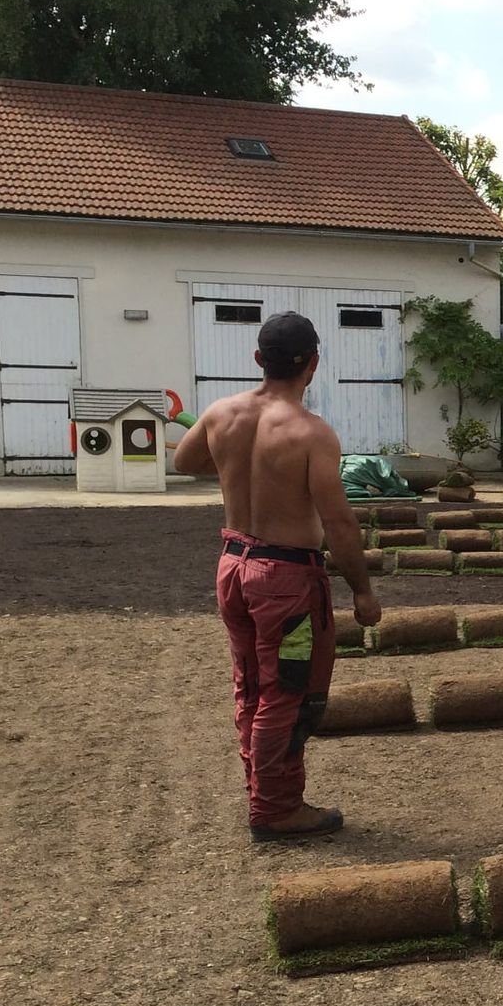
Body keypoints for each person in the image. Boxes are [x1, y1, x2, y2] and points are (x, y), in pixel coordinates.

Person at [173, 312, 382, 838]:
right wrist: (362, 589)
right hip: (285, 580)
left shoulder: (223, 414)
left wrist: (235, 463)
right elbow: (337, 520)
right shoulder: (311, 434)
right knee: (288, 692)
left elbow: (184, 460)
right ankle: (274, 807)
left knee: (251, 686)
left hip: (234, 566)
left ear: (258, 360)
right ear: (312, 364)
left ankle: (266, 791)